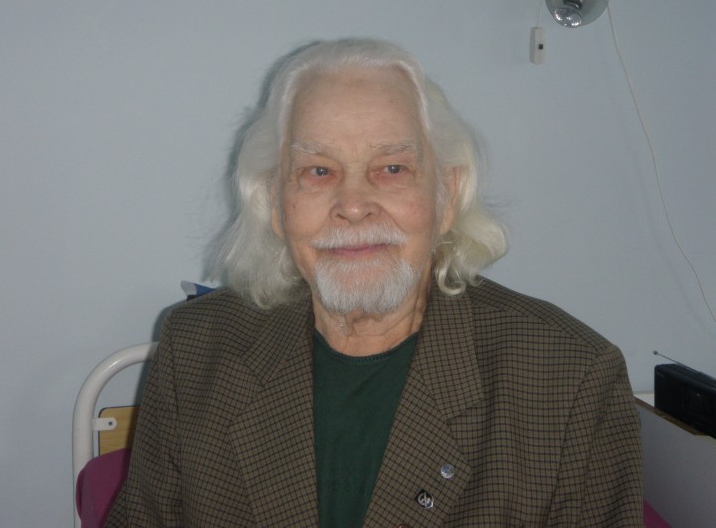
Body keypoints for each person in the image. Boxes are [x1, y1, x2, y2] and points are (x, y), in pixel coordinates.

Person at [107, 38, 643, 527]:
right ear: (274, 203)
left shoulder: (569, 380)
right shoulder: (196, 349)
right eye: (318, 171)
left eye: (392, 169)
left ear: (447, 196)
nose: (354, 204)